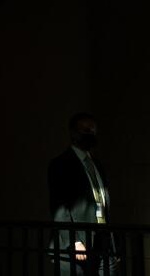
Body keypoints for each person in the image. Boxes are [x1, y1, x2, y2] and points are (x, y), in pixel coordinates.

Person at [48, 112, 114, 276]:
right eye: (85, 130)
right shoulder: (60, 164)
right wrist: (74, 241)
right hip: (76, 245)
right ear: (73, 133)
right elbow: (59, 207)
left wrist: (113, 243)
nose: (90, 134)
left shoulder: (96, 164)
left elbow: (103, 202)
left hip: (102, 240)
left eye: (93, 130)